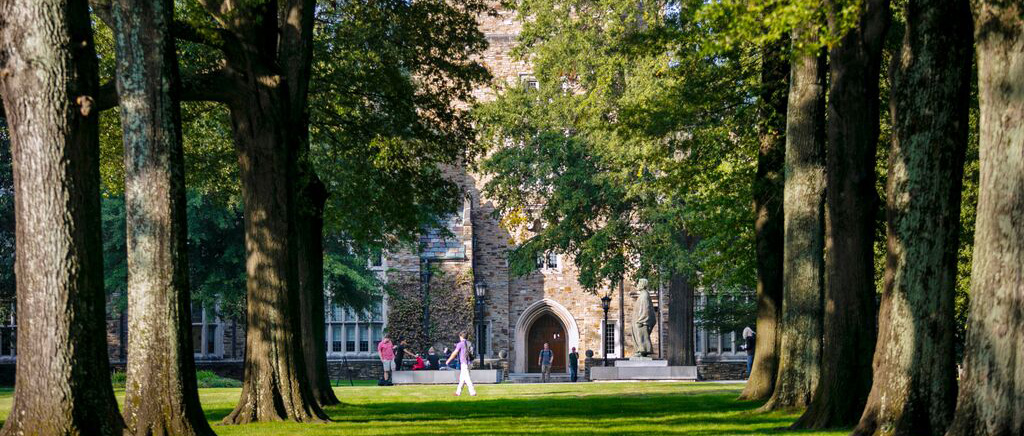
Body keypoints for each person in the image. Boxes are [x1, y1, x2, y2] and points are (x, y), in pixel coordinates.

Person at [445, 331, 476, 396]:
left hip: (464, 363)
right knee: (462, 378)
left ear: (461, 336)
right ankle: (458, 392)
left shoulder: (460, 344)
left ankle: (473, 392)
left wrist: (448, 360)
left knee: (467, 378)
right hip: (470, 362)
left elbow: (454, 353)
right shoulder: (470, 343)